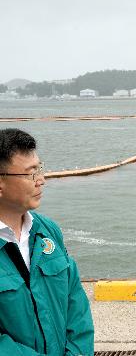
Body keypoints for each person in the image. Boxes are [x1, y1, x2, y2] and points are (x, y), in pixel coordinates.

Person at [0, 128, 94, 355]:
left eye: (39, 169)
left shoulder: (47, 231)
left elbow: (76, 305)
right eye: (30, 173)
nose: (41, 180)